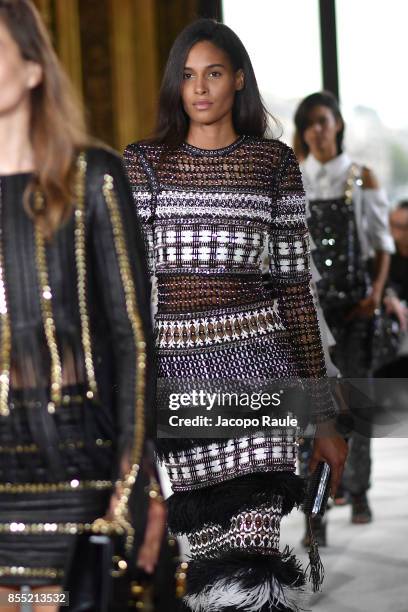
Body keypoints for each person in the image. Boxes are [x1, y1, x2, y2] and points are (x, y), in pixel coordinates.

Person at [124, 19, 347, 612]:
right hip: (182, 384)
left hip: (262, 379)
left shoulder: (272, 164)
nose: (199, 88)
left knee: (253, 560)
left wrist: (323, 420)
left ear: (238, 80)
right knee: (208, 566)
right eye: (188, 76)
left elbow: (297, 295)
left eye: (214, 73)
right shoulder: (144, 165)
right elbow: (131, 295)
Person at [0, 2, 164, 611]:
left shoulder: (92, 178)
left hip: (79, 470)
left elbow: (134, 343)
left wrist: (131, 490)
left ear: (34, 67)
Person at [294, 91, 395, 525]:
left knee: (355, 403)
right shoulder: (295, 178)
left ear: (337, 124)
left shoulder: (360, 176)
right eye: (309, 123)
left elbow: (380, 243)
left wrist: (375, 293)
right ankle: (314, 507)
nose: (317, 130)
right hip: (312, 312)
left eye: (323, 121)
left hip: (354, 308)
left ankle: (358, 493)